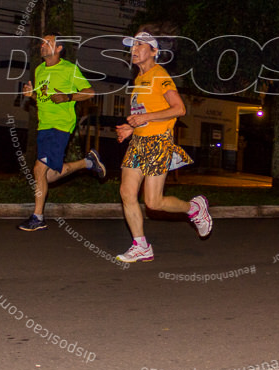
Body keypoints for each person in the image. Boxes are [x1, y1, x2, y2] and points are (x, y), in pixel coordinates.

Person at [114, 32, 212, 262]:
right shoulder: (139, 80)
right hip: (138, 142)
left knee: (153, 202)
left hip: (158, 142)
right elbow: (143, 117)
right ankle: (141, 245)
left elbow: (179, 109)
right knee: (126, 193)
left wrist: (145, 117)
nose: (134, 49)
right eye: (133, 45)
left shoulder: (159, 75)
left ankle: (194, 209)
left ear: (154, 51)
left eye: (140, 45)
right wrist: (131, 128)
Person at [17, 34, 106, 231]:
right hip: (44, 126)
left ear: (58, 49)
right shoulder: (40, 69)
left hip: (60, 126)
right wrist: (31, 95)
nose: (42, 46)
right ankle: (88, 162)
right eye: (41, 43)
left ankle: (38, 217)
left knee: (38, 170)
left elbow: (90, 92)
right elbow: (43, 97)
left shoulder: (68, 69)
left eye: (47, 43)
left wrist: (67, 97)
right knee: (47, 176)